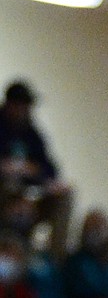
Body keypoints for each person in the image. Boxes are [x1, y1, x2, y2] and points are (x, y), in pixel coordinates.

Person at [0, 79, 73, 257]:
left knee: (64, 195)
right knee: (10, 185)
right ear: (11, 105)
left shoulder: (31, 133)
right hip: (4, 193)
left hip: (26, 196)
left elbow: (49, 169)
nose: (25, 111)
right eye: (21, 106)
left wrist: (33, 173)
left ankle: (56, 259)